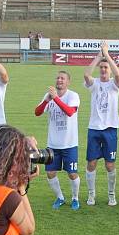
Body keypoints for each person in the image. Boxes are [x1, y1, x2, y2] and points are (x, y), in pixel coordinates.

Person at [34, 70, 81, 210]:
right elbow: (37, 112)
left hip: (69, 143)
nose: (59, 80)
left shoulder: (73, 96)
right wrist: (47, 100)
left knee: (72, 173)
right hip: (53, 144)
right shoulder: (49, 96)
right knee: (50, 173)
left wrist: (55, 99)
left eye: (63, 78)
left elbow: (70, 112)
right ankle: (60, 197)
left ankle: (75, 198)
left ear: (68, 82)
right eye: (58, 78)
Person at [83, 41, 119, 206]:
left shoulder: (114, 85)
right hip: (94, 128)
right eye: (102, 67)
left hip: (110, 129)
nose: (104, 70)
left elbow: (118, 75)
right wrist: (98, 56)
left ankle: (111, 195)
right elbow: (86, 75)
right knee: (91, 163)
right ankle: (91, 195)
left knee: (109, 164)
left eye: (106, 68)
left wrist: (107, 55)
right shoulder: (95, 85)